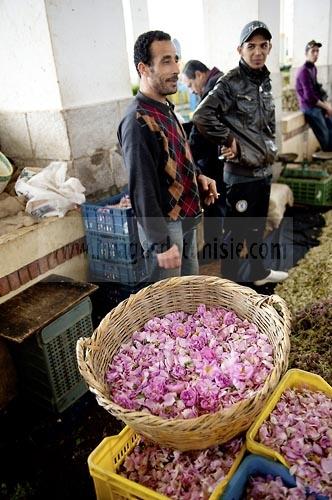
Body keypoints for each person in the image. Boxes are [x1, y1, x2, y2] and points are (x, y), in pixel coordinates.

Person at [117, 30, 218, 283]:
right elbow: (142, 188)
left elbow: (174, 159)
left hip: (186, 219)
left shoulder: (165, 108)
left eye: (175, 59)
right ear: (144, 68)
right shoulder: (137, 120)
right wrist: (161, 244)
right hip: (166, 226)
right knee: (166, 309)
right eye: (165, 61)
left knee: (188, 295)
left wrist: (198, 177)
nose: (175, 68)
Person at [193, 20, 288, 286]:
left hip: (263, 171)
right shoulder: (231, 82)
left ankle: (259, 273)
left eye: (263, 46)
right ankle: (230, 286)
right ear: (240, 49)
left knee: (257, 229)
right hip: (241, 175)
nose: (257, 52)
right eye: (251, 46)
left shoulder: (265, 82)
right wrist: (227, 139)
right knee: (235, 234)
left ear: (269, 48)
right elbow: (202, 115)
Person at [182, 60, 225, 260]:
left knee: (215, 201)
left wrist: (188, 152)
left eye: (190, 85)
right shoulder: (219, 82)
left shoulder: (213, 89)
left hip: (214, 158)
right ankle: (219, 247)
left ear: (199, 75)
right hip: (218, 154)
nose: (191, 91)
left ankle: (217, 250)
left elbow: (201, 127)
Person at [295, 40, 332, 152]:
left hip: (316, 105)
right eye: (313, 51)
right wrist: (326, 107)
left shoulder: (313, 68)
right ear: (306, 53)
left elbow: (317, 88)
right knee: (325, 134)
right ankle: (328, 152)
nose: (316, 54)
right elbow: (309, 97)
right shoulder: (303, 71)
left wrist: (326, 102)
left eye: (317, 51)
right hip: (308, 107)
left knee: (330, 126)